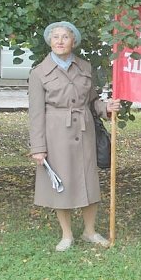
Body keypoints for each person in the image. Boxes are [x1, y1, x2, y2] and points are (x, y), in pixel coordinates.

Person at [28, 21, 121, 252]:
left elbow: (92, 102)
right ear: (50, 41)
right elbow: (36, 113)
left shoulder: (85, 67)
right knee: (62, 184)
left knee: (88, 182)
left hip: (84, 131)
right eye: (55, 37)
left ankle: (90, 232)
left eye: (65, 37)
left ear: (73, 41)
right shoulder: (39, 73)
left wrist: (107, 107)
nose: (60, 41)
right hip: (56, 134)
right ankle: (67, 235)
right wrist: (38, 147)